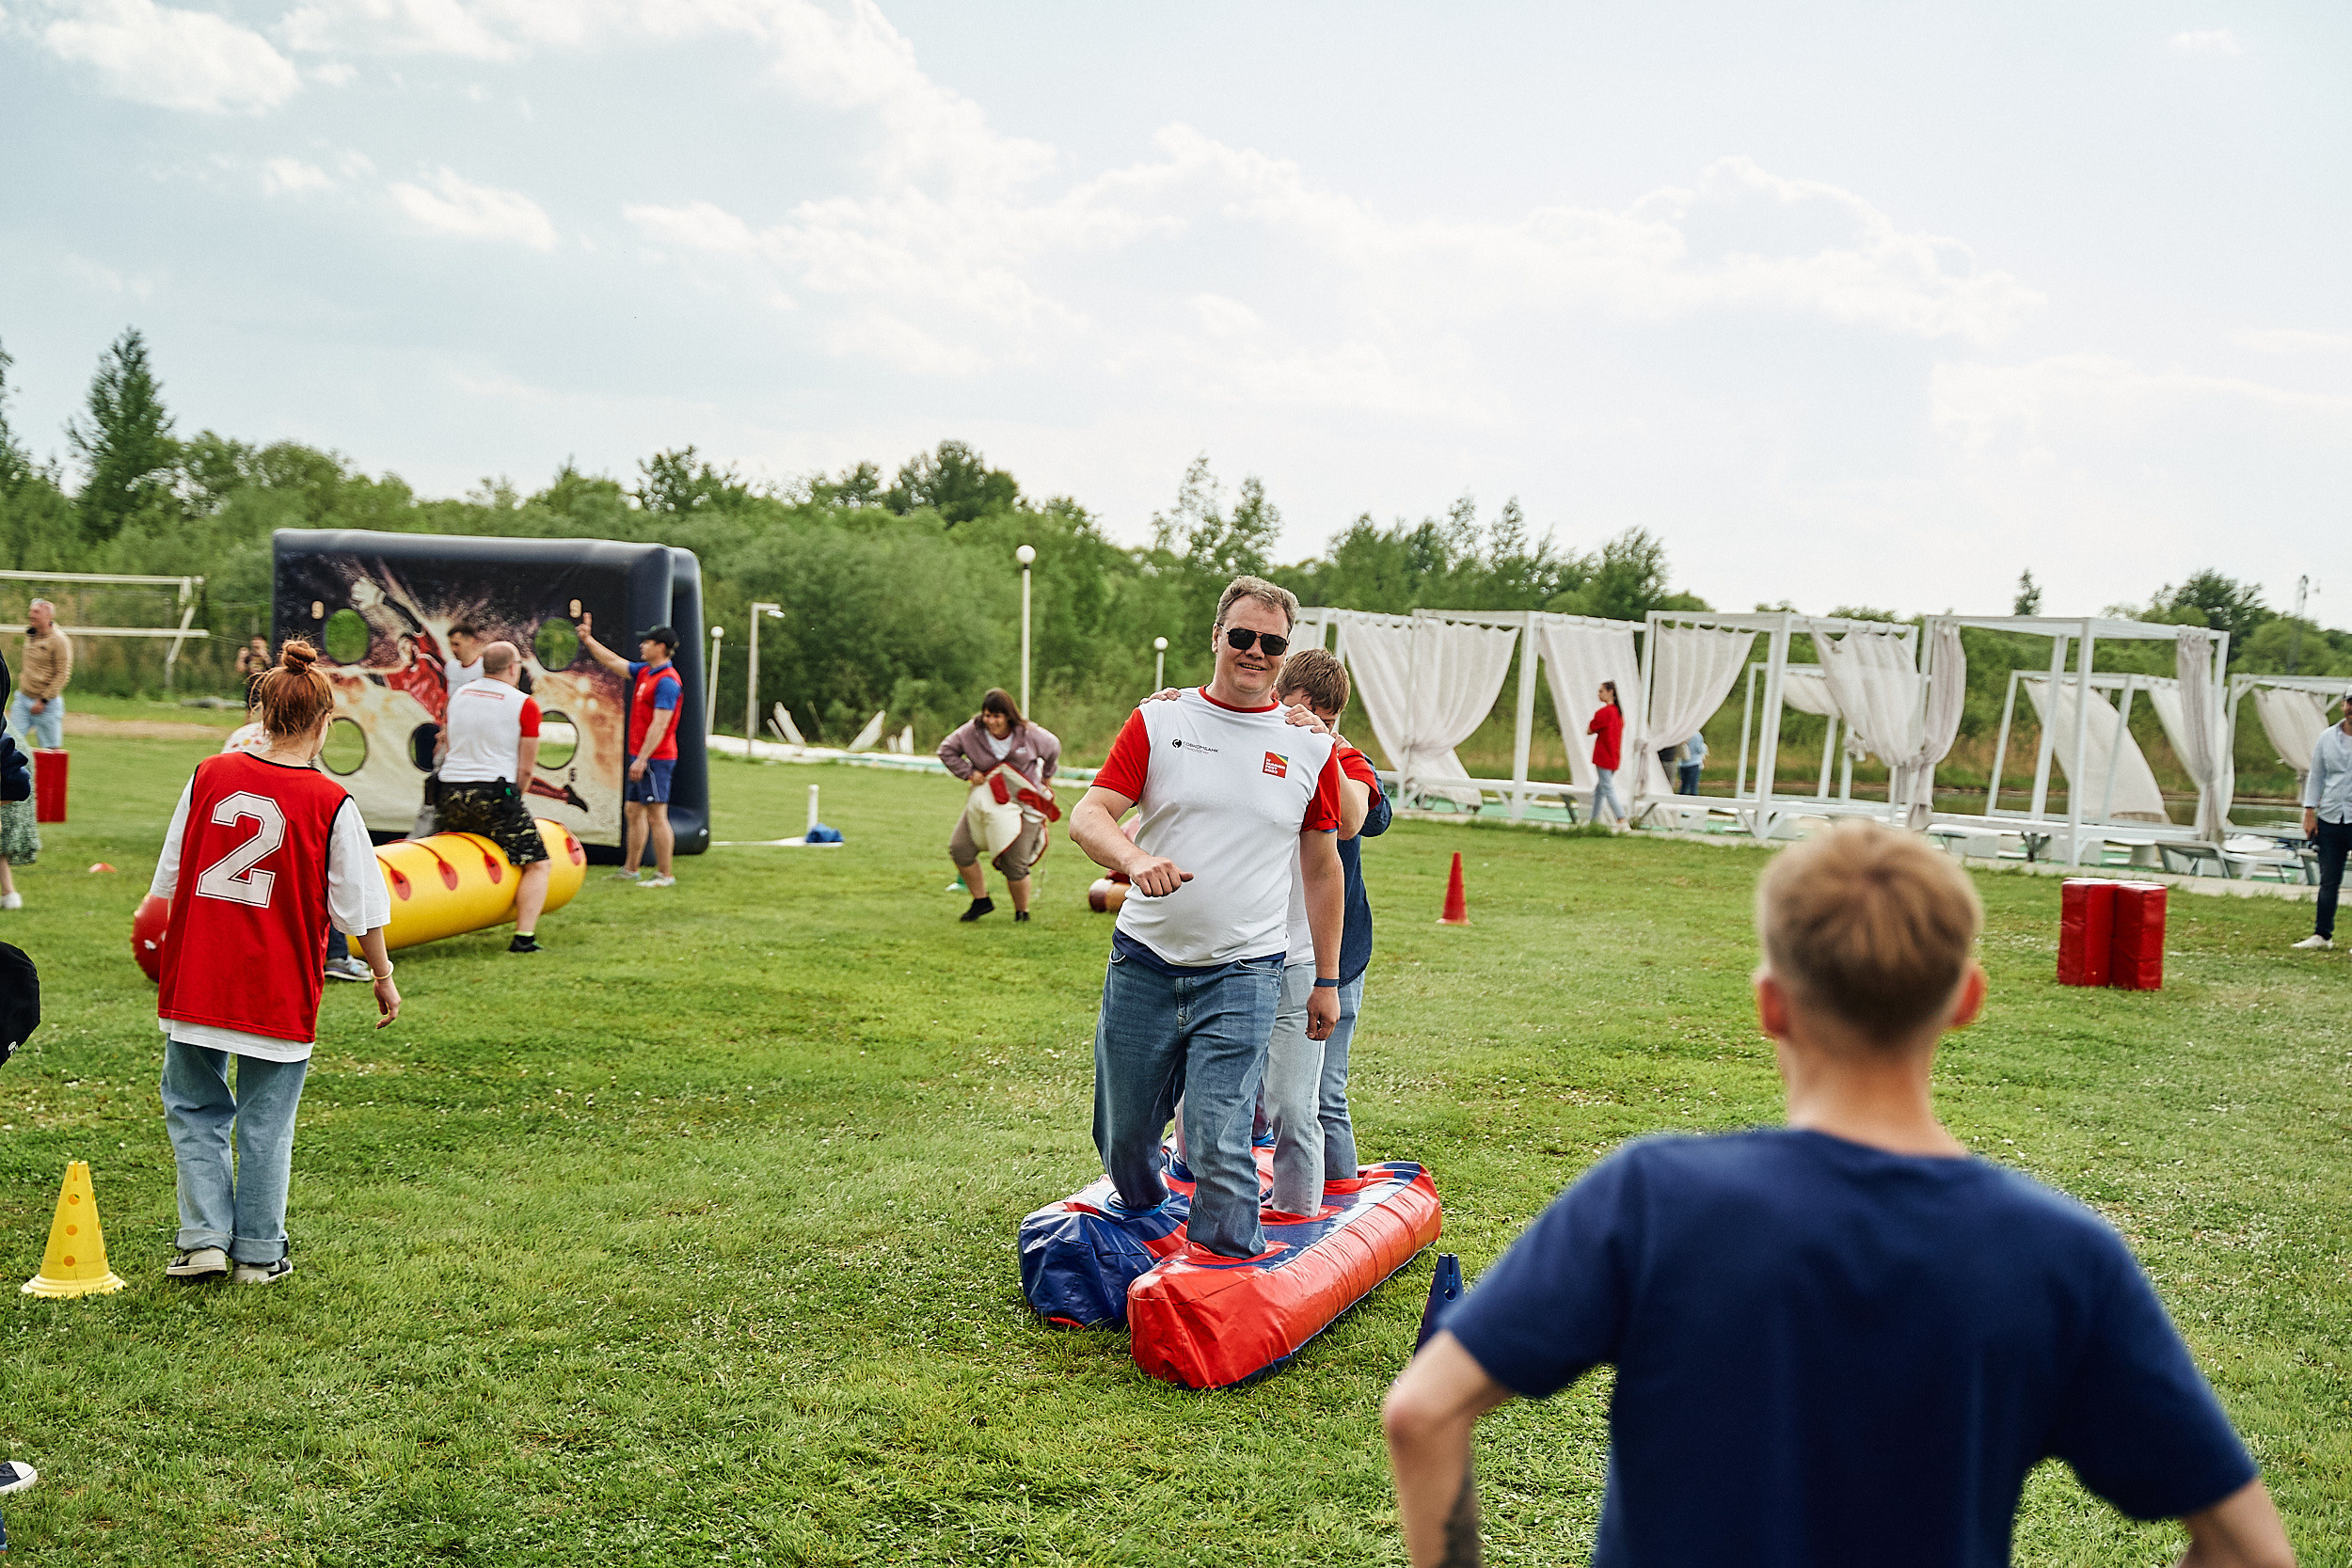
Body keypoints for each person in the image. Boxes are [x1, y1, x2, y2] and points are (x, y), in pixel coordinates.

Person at [1383, 820, 2295, 1568]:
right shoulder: (2060, 1252)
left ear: (1770, 1002)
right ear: (1967, 999)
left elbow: (1423, 1409)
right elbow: (2245, 1544)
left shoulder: (1653, 1196)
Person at [1069, 575, 1346, 1259]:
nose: (1255, 651)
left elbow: (1322, 867)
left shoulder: (1309, 747)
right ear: (1217, 636)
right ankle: (1141, 1215)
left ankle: (1226, 1275)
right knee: (1125, 1132)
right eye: (1243, 636)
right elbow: (1088, 813)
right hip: (1145, 960)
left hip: (1245, 969)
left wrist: (1328, 978)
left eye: (1272, 642)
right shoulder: (1161, 720)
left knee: (1222, 1135)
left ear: (1286, 652)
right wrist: (1133, 859)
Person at [148, 640, 400, 1286]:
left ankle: (203, 1237)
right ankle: (258, 1253)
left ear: (261, 715)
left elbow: (170, 878)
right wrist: (382, 974)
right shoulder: (331, 802)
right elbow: (359, 910)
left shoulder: (208, 774)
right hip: (277, 987)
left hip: (199, 977)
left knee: (194, 1106)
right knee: (266, 1121)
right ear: (323, 726)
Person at [1260, 648, 1389, 1215]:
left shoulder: (1345, 757)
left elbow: (1358, 817)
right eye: (1302, 710)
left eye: (1328, 717)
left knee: (1320, 1093)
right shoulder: (1260, 733)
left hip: (1336, 953)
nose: (1309, 722)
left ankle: (1336, 1200)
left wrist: (1326, 741)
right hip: (1265, 943)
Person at [436, 641, 553, 954]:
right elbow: (526, 768)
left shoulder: (459, 695)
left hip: (448, 789)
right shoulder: (524, 704)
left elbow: (450, 743)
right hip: (492, 790)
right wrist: (515, 802)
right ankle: (524, 937)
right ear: (514, 668)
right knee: (537, 863)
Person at [938, 689, 1061, 923]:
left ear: (1008, 716)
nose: (991, 721)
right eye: (987, 716)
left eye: (996, 716)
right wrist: (968, 772)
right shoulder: (971, 732)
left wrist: (1047, 776)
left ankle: (1021, 913)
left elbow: (1053, 747)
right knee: (960, 849)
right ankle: (981, 901)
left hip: (1025, 801)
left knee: (1015, 862)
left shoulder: (1029, 733)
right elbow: (946, 750)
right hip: (988, 799)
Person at [578, 614, 681, 888]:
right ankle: (631, 869)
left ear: (661, 646)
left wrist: (643, 759)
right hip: (642, 756)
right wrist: (588, 640)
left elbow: (661, 725)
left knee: (657, 815)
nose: (641, 646)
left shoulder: (668, 681)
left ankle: (665, 875)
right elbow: (613, 662)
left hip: (656, 758)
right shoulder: (646, 672)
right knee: (633, 811)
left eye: (646, 642)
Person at [2291, 689, 2352, 951]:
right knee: (2328, 880)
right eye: (2350, 703)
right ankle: (2322, 935)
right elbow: (2316, 775)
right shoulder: (2327, 738)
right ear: (2343, 705)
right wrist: (2309, 811)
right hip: (2330, 816)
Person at [9, 598, 71, 751]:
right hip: (22, 700)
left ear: (49, 616)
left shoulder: (59, 640)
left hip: (46, 704)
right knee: (9, 744)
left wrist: (43, 700)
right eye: (31, 611)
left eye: (36, 612)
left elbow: (63, 674)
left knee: (52, 751)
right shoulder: (31, 634)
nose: (31, 615)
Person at [1586, 680, 1625, 825]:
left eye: (1601, 691)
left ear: (1610, 692)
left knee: (1607, 788)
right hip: (1614, 756)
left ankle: (1621, 817)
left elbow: (1590, 729)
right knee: (1600, 790)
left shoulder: (1604, 713)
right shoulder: (1618, 714)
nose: (1599, 694)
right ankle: (1593, 820)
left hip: (1603, 755)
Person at [1678, 729, 1707, 796]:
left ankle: (1680, 802)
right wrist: (1704, 748)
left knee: (1684, 786)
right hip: (1694, 762)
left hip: (1683, 763)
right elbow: (1699, 749)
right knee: (1693, 786)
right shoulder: (1697, 735)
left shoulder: (1684, 734)